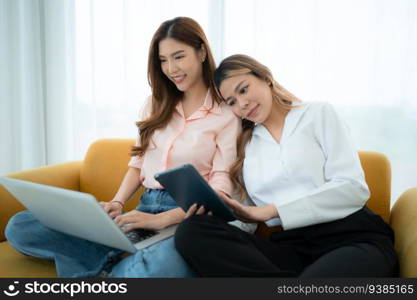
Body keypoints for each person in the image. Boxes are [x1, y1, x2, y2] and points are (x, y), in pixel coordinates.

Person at [5, 17, 240, 278]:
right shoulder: (155, 103)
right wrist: (117, 202)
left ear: (202, 52)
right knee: (21, 226)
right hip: (143, 208)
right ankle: (118, 260)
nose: (171, 68)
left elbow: (220, 189)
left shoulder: (226, 114)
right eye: (163, 60)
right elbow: (138, 163)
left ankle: (109, 262)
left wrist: (161, 220)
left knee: (166, 265)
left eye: (179, 56)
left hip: (183, 218)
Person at [174, 54, 399, 277]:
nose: (242, 104)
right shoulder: (246, 145)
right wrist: (215, 217)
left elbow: (353, 189)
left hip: (350, 237)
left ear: (265, 78)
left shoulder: (317, 114)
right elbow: (247, 220)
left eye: (244, 89)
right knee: (192, 231)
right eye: (231, 102)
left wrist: (273, 210)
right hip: (292, 250)